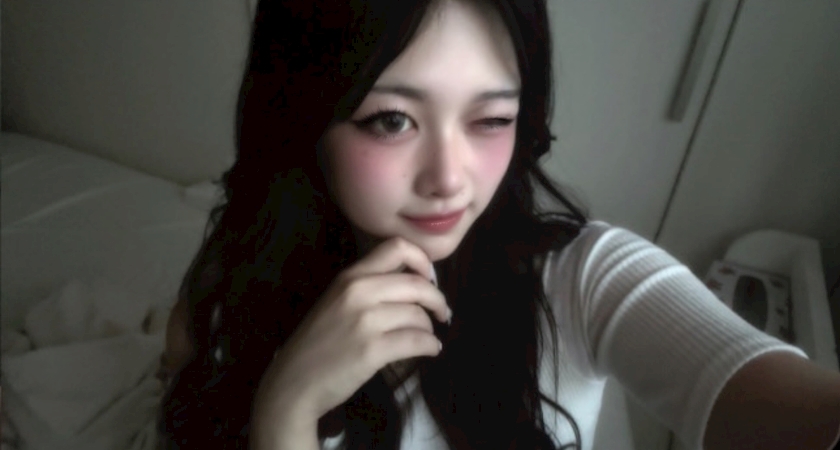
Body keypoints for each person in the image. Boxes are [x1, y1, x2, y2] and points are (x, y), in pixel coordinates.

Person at [157, 1, 840, 449]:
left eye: (491, 118)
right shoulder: (222, 302)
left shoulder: (584, 279)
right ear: (305, 117)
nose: (450, 179)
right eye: (392, 120)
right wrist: (287, 407)